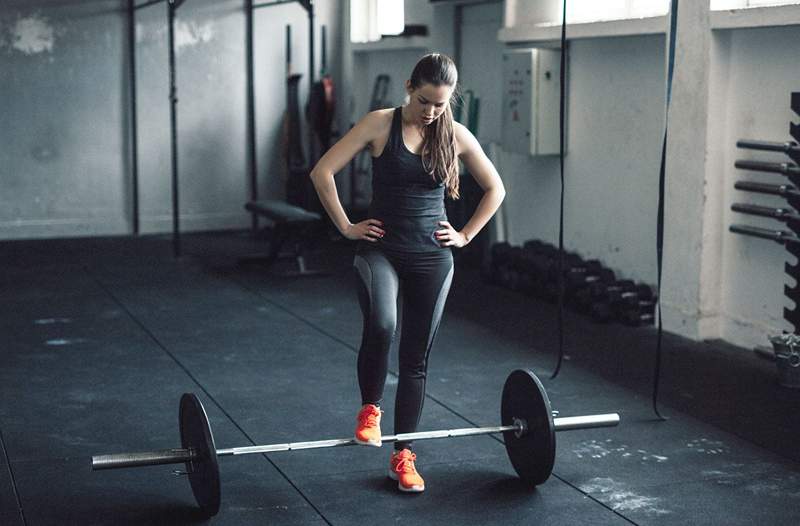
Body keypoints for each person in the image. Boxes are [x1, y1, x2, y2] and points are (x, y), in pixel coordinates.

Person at [309, 53, 505, 493]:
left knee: (416, 358)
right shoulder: (380, 123)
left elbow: (496, 188)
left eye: (440, 104)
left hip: (432, 258)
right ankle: (370, 409)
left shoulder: (453, 134)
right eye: (424, 101)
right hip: (381, 250)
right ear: (408, 86)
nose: (431, 111)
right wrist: (345, 225)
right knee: (382, 324)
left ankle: (404, 455)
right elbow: (322, 171)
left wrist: (466, 234)